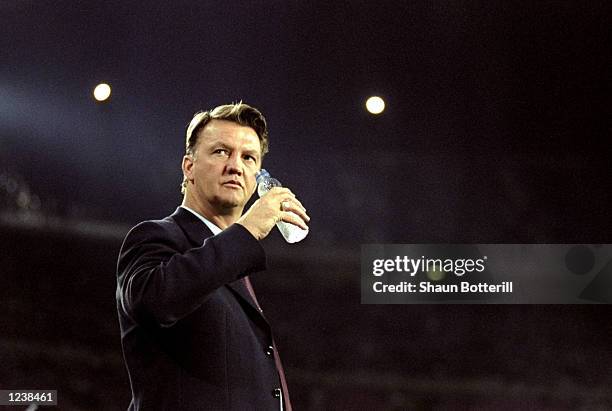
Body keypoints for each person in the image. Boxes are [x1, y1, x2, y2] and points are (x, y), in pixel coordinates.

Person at [116, 102, 310, 410]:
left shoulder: (231, 263)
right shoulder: (156, 236)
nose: (236, 166)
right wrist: (246, 231)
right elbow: (155, 300)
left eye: (249, 157)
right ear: (189, 167)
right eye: (221, 152)